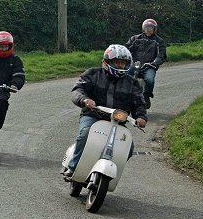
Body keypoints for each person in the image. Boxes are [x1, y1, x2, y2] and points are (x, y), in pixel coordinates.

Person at [63, 44, 147, 177]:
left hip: (118, 121)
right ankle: (73, 166)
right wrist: (85, 100)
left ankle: (110, 170)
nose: (120, 66)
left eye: (123, 63)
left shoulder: (132, 83)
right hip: (93, 115)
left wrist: (141, 117)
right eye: (117, 62)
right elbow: (78, 90)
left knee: (128, 148)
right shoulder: (92, 74)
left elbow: (139, 103)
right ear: (107, 62)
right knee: (85, 134)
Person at [125, 18, 166, 109]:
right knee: (124, 75)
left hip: (149, 66)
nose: (148, 29)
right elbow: (126, 49)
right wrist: (125, 57)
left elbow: (161, 54)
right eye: (147, 27)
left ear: (154, 29)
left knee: (149, 80)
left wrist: (155, 62)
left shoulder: (159, 41)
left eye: (151, 27)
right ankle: (122, 93)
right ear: (143, 28)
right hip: (135, 64)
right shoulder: (135, 38)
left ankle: (146, 96)